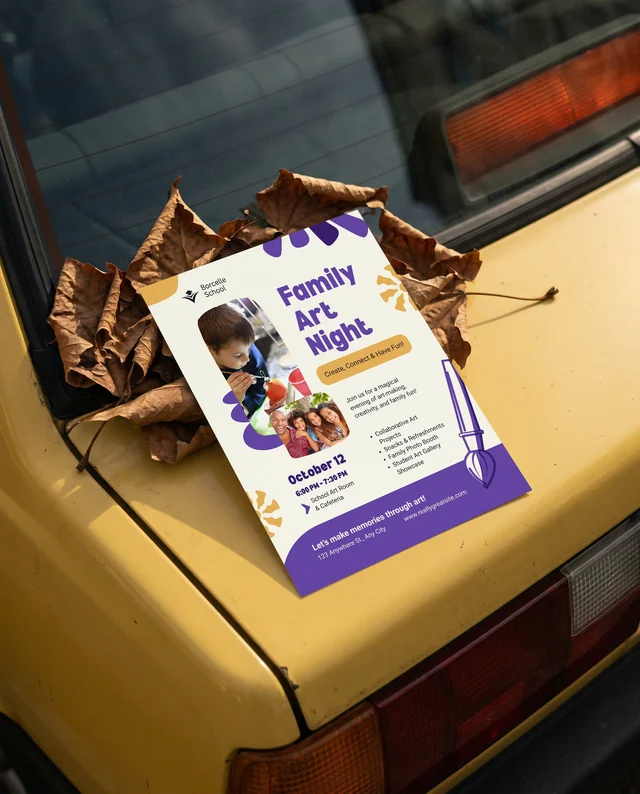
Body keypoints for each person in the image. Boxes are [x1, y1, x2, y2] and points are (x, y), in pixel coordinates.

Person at [198, 304, 268, 417]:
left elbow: (263, 384)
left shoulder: (244, 348)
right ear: (210, 351)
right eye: (238, 355)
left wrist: (246, 406)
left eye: (249, 348)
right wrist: (234, 402)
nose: (247, 358)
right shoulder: (205, 378)